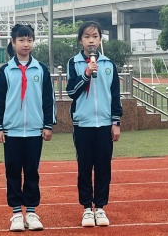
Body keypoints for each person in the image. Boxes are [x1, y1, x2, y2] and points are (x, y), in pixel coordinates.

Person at [0, 23, 56, 232]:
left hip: (35, 130)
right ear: (13, 42)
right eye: (21, 40)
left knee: (32, 171)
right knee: (13, 171)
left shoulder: (41, 69)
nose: (25, 44)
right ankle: (17, 213)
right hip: (12, 131)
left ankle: (32, 212)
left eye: (29, 40)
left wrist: (48, 125)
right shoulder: (6, 70)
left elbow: (48, 99)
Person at [66, 21, 123, 227]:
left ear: (100, 39)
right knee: (84, 167)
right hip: (83, 124)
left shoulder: (108, 64)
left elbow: (115, 95)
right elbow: (71, 92)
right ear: (80, 40)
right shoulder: (74, 63)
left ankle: (100, 207)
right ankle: (86, 209)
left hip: (105, 124)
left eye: (95, 36)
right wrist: (86, 74)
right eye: (87, 37)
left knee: (103, 167)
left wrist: (116, 122)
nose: (91, 41)